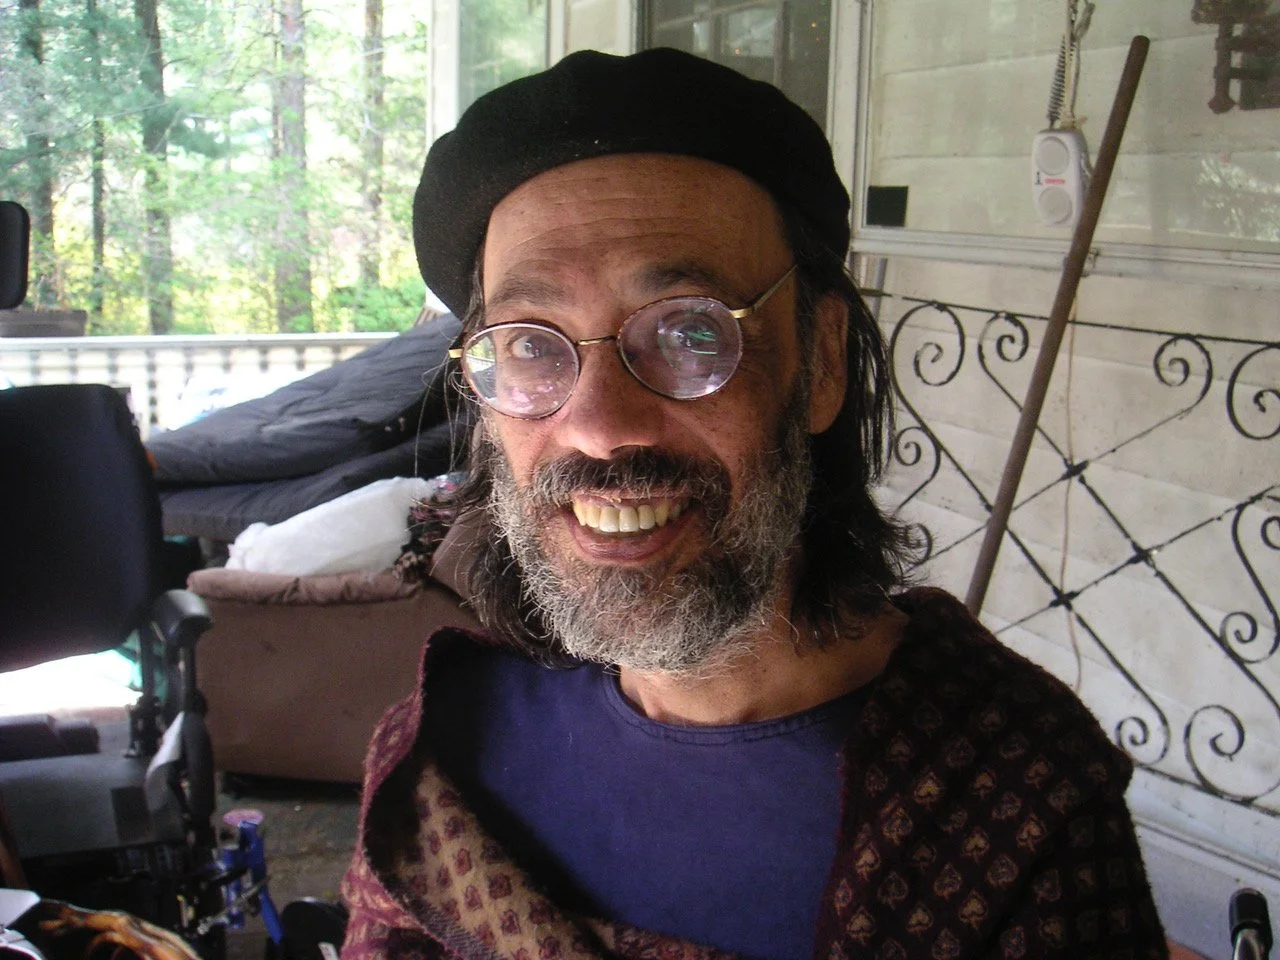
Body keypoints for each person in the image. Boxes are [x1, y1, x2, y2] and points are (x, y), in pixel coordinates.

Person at [340, 48, 1169, 960]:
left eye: (691, 331)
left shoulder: (1017, 803)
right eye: (532, 345)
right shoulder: (440, 757)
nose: (600, 428)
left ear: (818, 363)